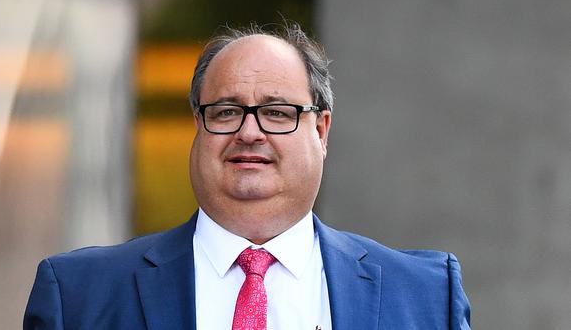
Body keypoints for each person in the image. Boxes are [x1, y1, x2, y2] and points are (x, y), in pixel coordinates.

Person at [24, 23, 471, 330]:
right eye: (227, 111)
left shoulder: (424, 296)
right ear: (199, 127)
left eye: (277, 112)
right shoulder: (79, 297)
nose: (249, 132)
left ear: (321, 130)